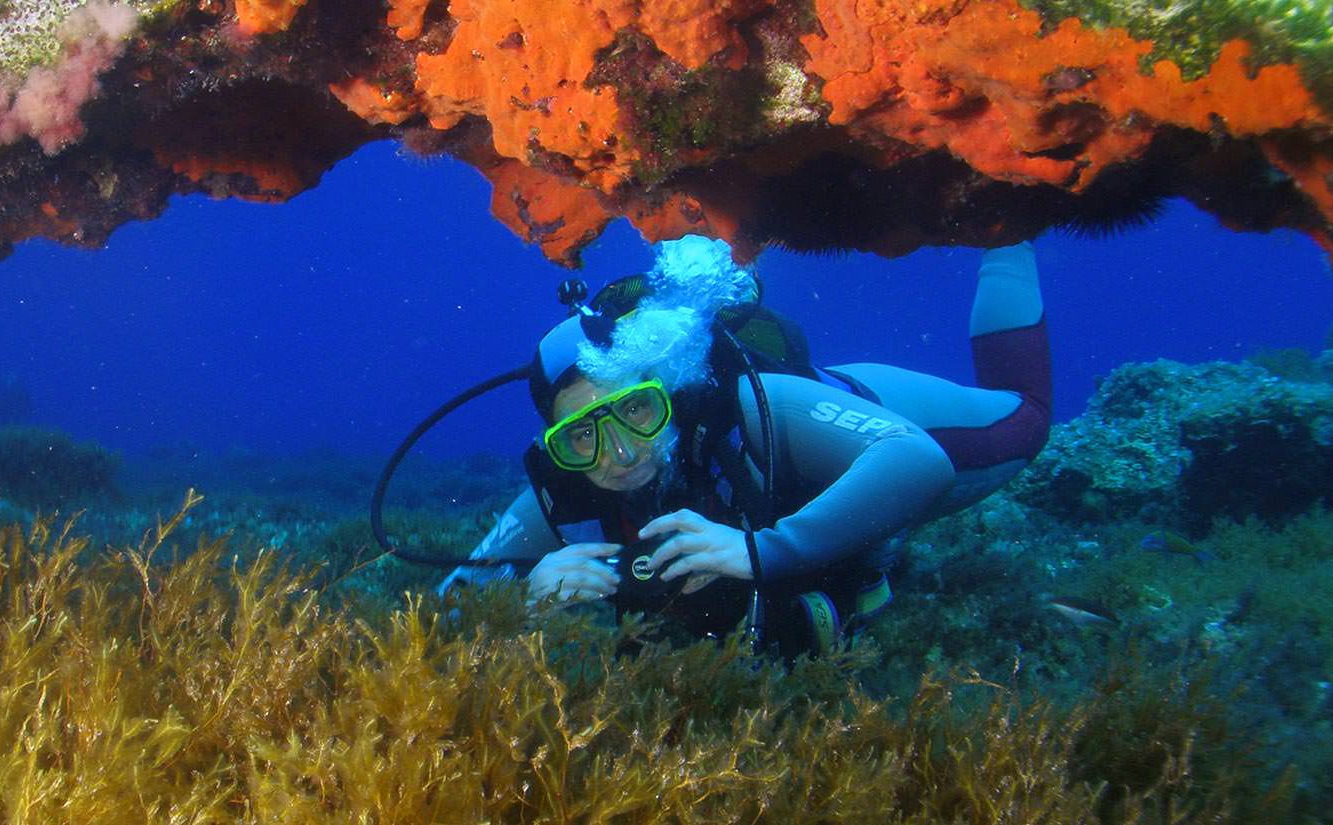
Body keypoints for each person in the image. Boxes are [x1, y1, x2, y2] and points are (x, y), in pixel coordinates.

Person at [440, 236, 1051, 656]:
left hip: (862, 417)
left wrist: (766, 551)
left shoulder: (755, 409)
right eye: (581, 435)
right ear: (555, 445)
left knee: (1027, 418)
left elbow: (918, 462)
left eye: (636, 410)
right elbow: (453, 602)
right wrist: (524, 598)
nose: (620, 454)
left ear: (671, 396)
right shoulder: (563, 486)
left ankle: (1007, 231)